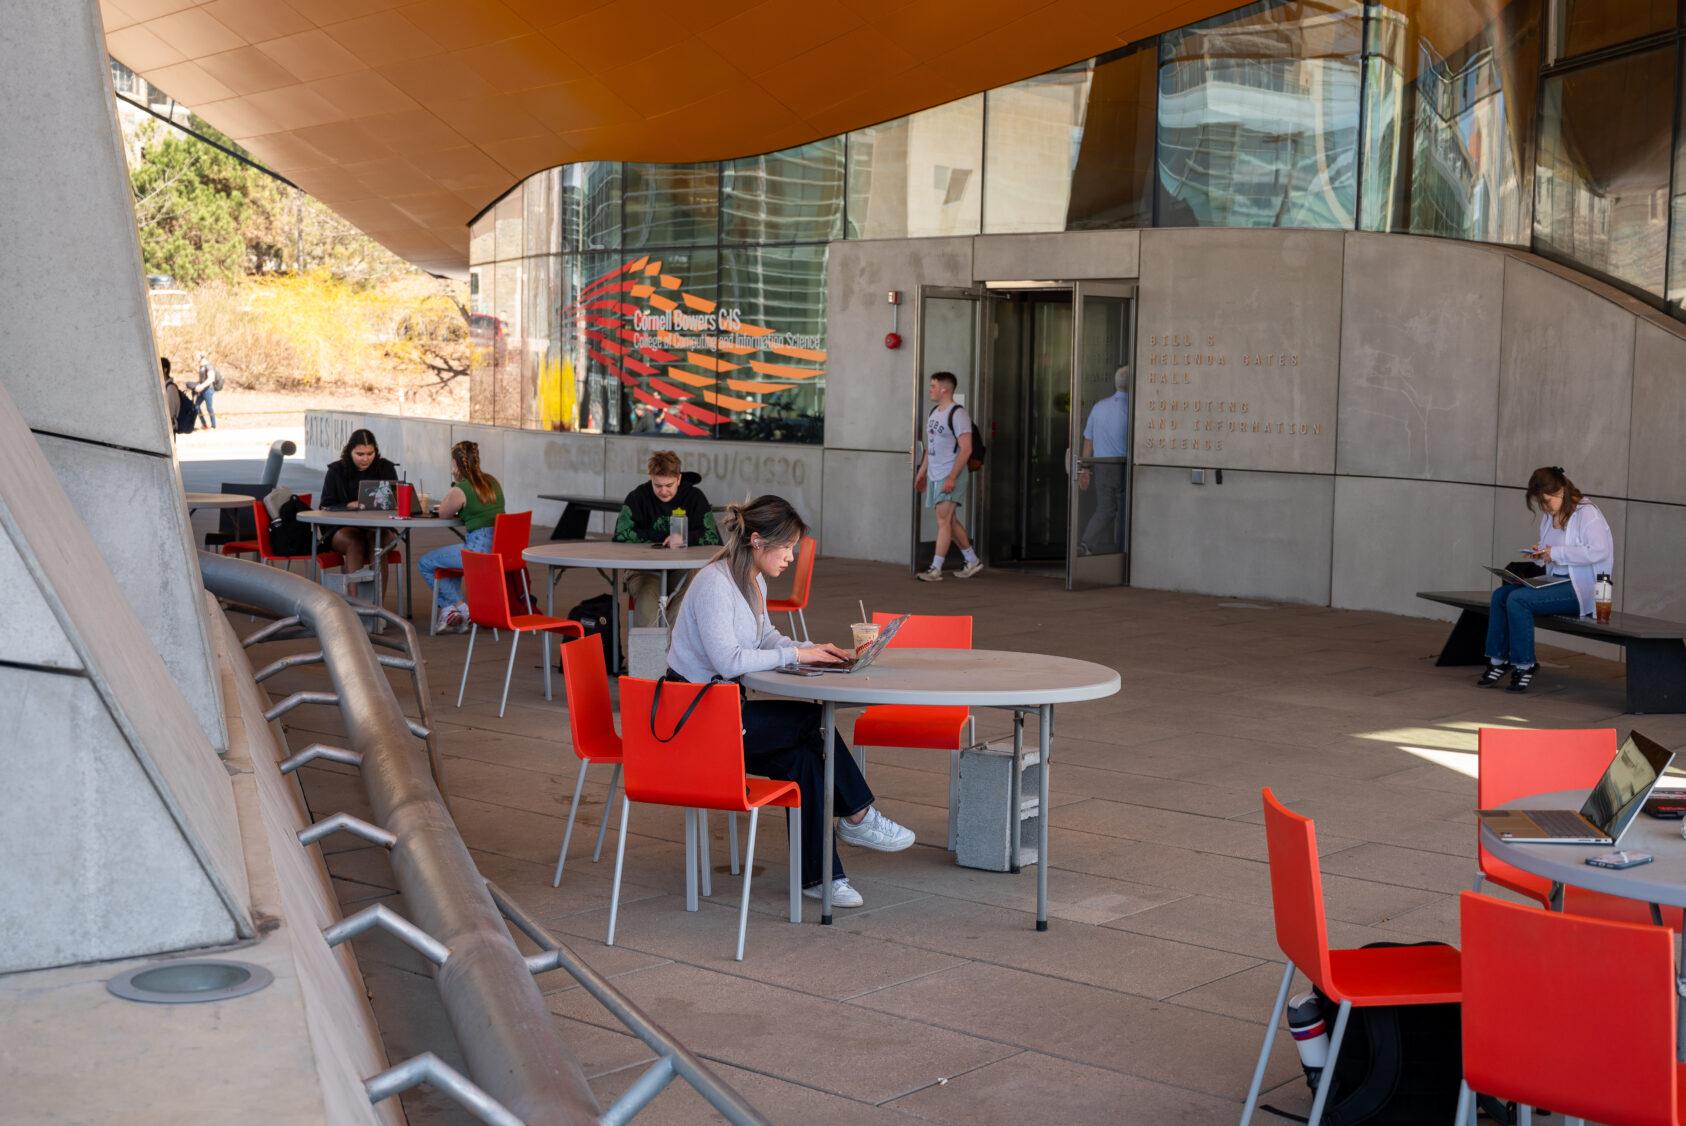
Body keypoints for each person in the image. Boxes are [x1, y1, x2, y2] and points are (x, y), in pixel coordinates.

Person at [666, 495, 915, 907]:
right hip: (696, 721)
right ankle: (858, 815)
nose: (791, 557)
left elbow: (764, 639)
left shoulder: (752, 581)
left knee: (803, 761)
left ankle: (820, 878)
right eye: (786, 548)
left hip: (724, 713)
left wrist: (810, 648)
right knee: (810, 723)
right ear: (758, 541)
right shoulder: (713, 583)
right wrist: (796, 656)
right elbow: (728, 661)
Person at [1480, 465, 1613, 693]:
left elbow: (1599, 550)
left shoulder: (1587, 513)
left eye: (1546, 501)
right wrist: (1540, 554)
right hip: (1555, 582)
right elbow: (1550, 554)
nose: (1544, 507)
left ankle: (1524, 664)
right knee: (1501, 595)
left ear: (1561, 490)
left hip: (1580, 588)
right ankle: (1497, 660)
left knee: (1518, 600)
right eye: (1540, 503)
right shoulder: (1548, 517)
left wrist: (1556, 553)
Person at [613, 449, 722, 627]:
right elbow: (620, 535)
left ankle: (672, 648)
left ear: (678, 478)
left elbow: (713, 537)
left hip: (683, 568)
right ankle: (648, 654)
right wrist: (663, 537)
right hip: (643, 569)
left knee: (692, 590)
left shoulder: (694, 497)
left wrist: (682, 537)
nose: (663, 491)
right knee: (648, 596)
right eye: (657, 485)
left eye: (669, 485)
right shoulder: (638, 497)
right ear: (651, 478)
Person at [419, 440, 505, 630]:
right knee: (446, 562)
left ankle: (459, 607)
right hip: (499, 549)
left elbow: (443, 513)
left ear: (456, 464)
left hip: (476, 552)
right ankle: (451, 611)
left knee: (426, 562)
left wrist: (455, 485)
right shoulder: (492, 481)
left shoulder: (462, 489)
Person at [914, 371, 984, 582]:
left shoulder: (958, 414)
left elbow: (966, 449)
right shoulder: (934, 412)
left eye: (933, 386)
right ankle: (972, 560)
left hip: (950, 474)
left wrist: (952, 477)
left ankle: (935, 568)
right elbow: (931, 447)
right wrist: (922, 472)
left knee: (943, 520)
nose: (930, 389)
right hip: (937, 474)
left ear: (945, 389)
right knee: (950, 521)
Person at [319, 428, 398, 599]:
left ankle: (377, 606)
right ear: (350, 451)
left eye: (370, 453)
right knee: (355, 542)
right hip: (343, 528)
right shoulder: (336, 470)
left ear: (375, 451)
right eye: (360, 454)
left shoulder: (385, 468)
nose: (365, 458)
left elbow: (395, 502)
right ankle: (356, 604)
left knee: (378, 543)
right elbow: (325, 505)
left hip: (379, 527)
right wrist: (348, 505)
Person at [1077, 365, 1131, 555]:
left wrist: (1085, 468)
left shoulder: (1099, 407)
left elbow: (1088, 440)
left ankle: (1087, 543)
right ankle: (1125, 552)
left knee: (1105, 509)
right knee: (1126, 511)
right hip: (1123, 467)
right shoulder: (1132, 410)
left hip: (1101, 466)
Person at [191, 352, 220, 429]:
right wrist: (196, 385)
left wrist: (201, 386)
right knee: (196, 407)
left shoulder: (208, 366)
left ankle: (213, 426)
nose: (196, 358)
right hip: (202, 390)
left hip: (208, 390)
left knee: (209, 408)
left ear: (202, 357)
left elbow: (211, 379)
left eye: (197, 356)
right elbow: (202, 380)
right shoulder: (201, 366)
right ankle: (204, 425)